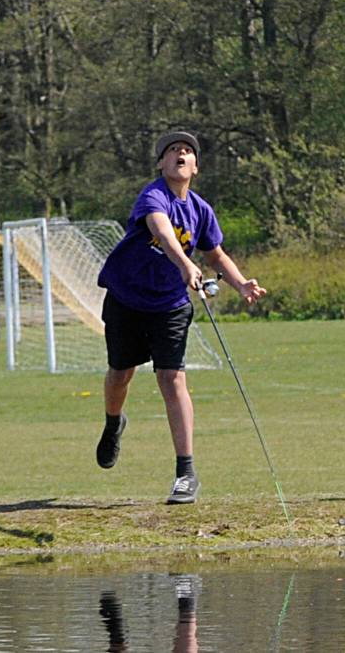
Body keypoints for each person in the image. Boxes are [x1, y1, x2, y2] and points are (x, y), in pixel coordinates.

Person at [95, 131, 266, 505]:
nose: (180, 154)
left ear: (195, 167)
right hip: (127, 297)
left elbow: (216, 255)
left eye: (187, 151)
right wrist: (186, 264)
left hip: (170, 305)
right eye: (173, 151)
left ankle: (185, 473)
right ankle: (113, 423)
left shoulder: (201, 210)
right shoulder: (154, 195)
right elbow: (161, 231)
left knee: (172, 379)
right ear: (161, 163)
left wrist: (241, 284)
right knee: (120, 374)